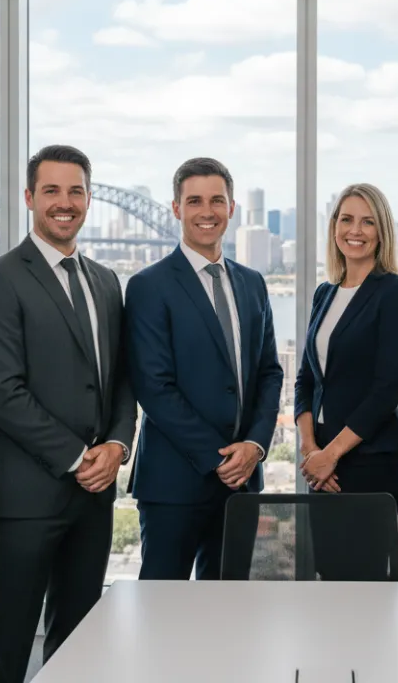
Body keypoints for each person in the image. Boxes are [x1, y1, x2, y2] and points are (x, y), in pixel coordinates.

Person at [0, 145, 138, 682]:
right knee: (9, 635)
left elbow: (120, 380)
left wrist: (116, 445)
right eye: (52, 191)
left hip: (94, 495)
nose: (65, 203)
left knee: (80, 634)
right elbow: (1, 392)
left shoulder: (106, 280)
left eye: (76, 191)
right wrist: (77, 456)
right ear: (29, 198)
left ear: (88, 198)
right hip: (27, 496)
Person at [126, 157, 283, 580]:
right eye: (194, 201)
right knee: (163, 611)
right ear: (175, 208)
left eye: (217, 200)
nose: (207, 211)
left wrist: (255, 445)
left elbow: (270, 371)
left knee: (232, 613)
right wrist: (219, 459)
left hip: (243, 480)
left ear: (232, 208)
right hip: (175, 484)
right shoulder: (148, 286)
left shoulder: (253, 283)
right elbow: (153, 387)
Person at [295, 183, 398, 506]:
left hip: (370, 461)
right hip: (319, 464)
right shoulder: (325, 293)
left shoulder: (396, 293)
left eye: (368, 221)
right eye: (346, 219)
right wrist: (310, 449)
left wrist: (332, 454)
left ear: (382, 230)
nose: (355, 230)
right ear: (334, 226)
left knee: (363, 557)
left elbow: (386, 392)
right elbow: (305, 380)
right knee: (322, 558)